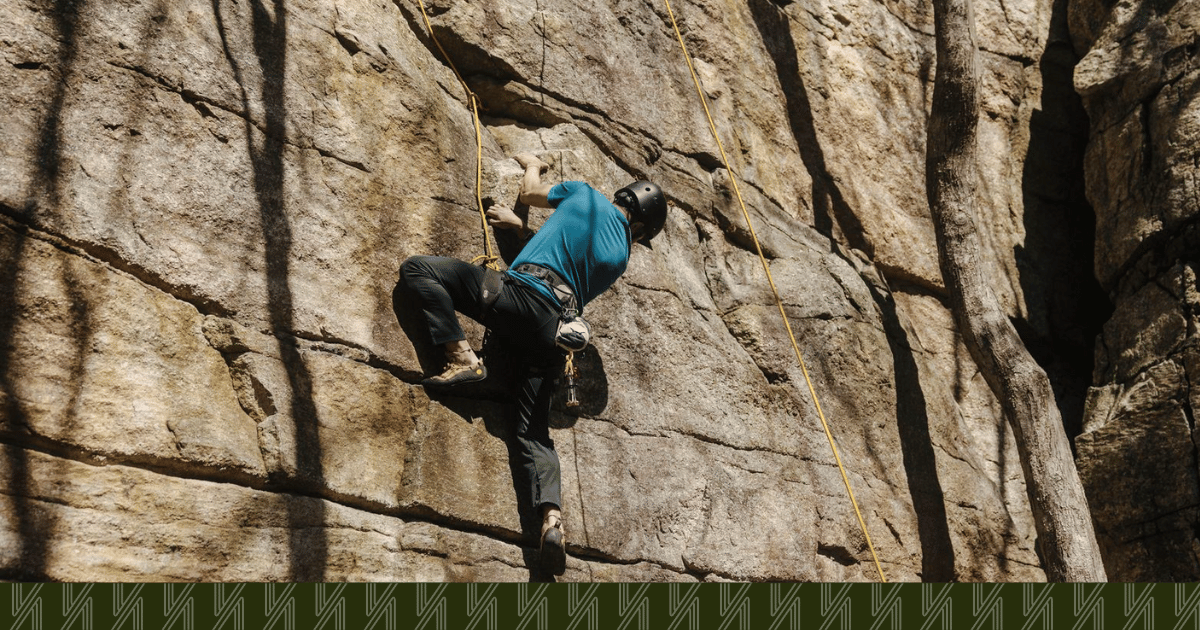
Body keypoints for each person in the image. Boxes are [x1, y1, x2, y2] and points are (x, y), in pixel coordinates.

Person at [399, 153, 668, 575]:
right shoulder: (620, 258)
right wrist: (523, 232)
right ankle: (551, 520)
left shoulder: (582, 193)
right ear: (638, 225)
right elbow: (568, 260)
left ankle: (461, 356)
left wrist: (535, 167)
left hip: (516, 296)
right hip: (552, 332)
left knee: (419, 271)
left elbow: (529, 195)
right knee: (533, 433)